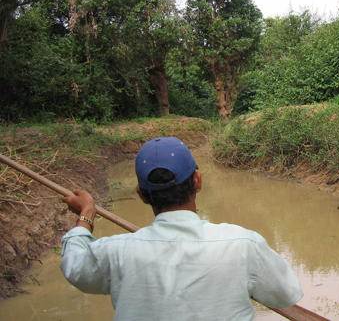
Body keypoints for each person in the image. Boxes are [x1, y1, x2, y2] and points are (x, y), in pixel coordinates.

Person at [60, 137, 303, 320]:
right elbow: (286, 294)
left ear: (142, 195)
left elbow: (75, 267)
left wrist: (86, 214)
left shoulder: (114, 252)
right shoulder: (243, 245)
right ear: (197, 181)